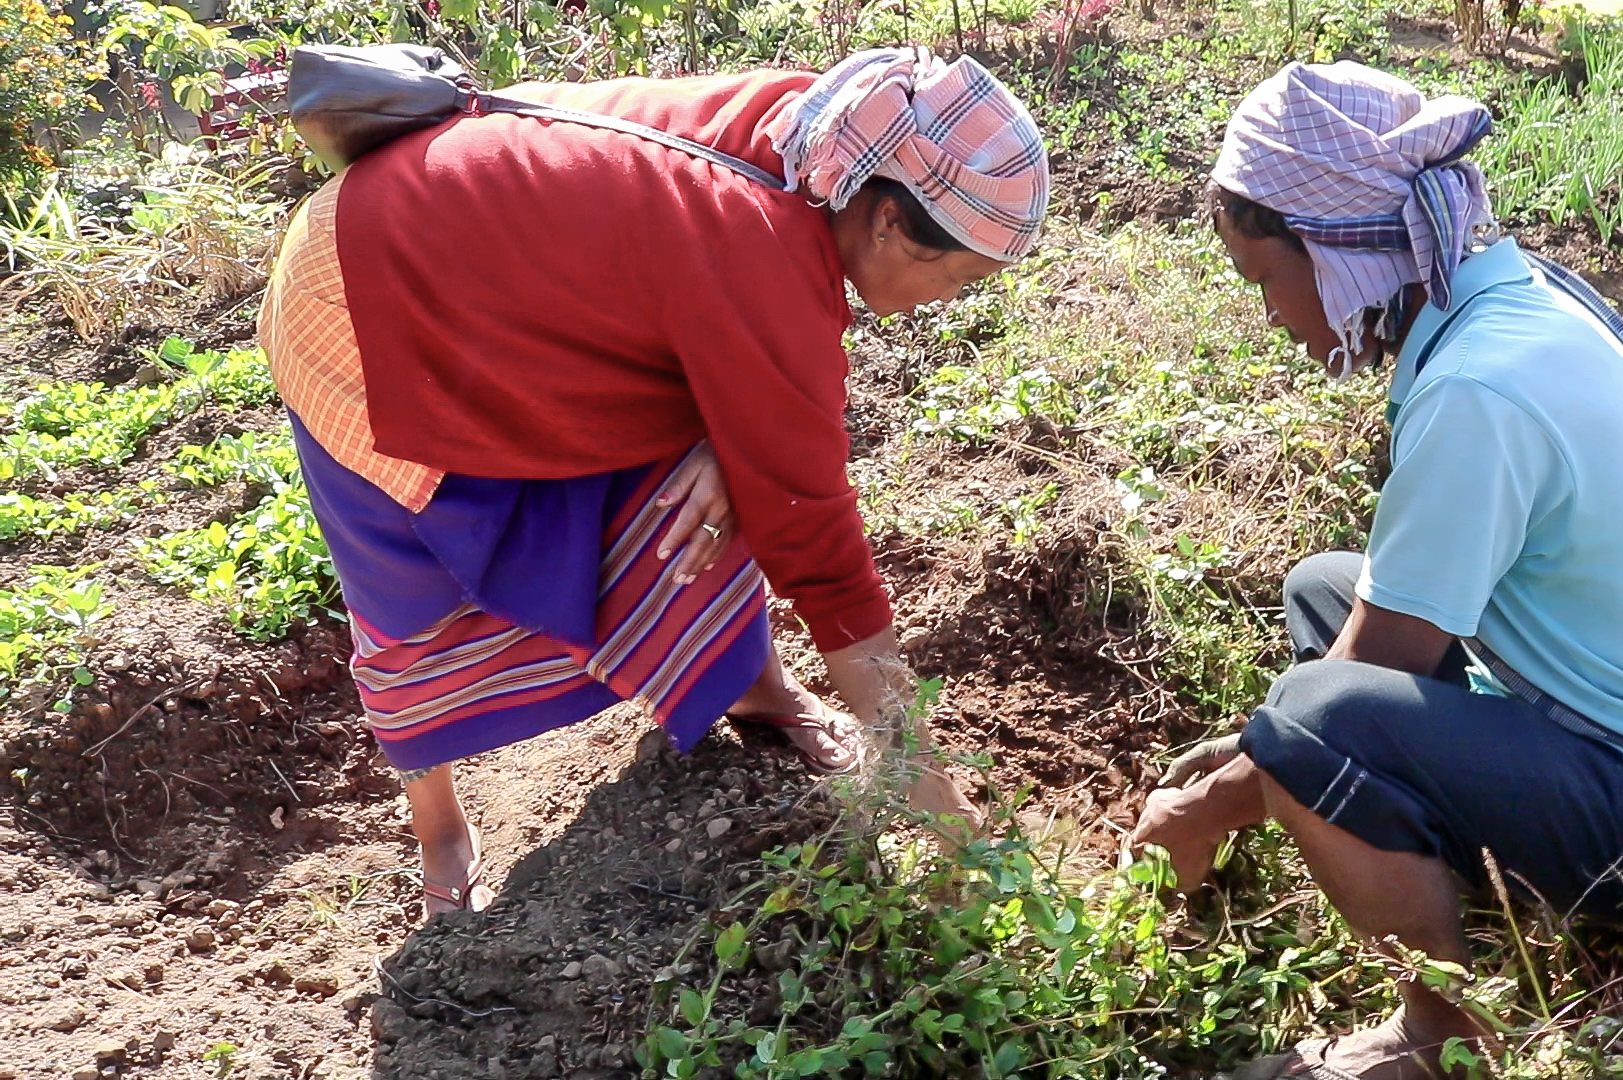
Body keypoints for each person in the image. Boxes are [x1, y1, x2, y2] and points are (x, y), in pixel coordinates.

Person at [1128, 62, 1623, 1079]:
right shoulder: (1511, 300)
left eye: (1266, 280)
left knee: (1312, 718)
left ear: (1339, 256)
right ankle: (1460, 893)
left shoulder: (1478, 389)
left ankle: (1444, 1039)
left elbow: (1383, 668)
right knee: (1324, 589)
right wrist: (1254, 764)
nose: (1273, 317)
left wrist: (1210, 808)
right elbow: (1384, 624)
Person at [259, 47, 1049, 917]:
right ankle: (439, 826)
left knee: (735, 467)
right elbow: (820, 548)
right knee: (407, 589)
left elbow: (707, 295)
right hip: (357, 302)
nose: (952, 300)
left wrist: (737, 439)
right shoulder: (760, 244)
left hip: (492, 285)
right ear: (891, 221)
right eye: (960, 276)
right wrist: (931, 795)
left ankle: (757, 689)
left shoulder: (810, 132)